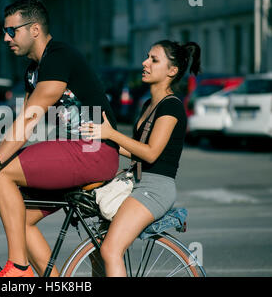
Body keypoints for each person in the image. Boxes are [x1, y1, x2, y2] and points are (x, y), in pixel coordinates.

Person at [0, 0, 120, 277]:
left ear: (34, 29)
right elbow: (19, 128)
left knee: (2, 173)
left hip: (94, 151)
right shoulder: (32, 71)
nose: (5, 37)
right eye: (5, 31)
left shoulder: (59, 56)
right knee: (19, 219)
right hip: (73, 151)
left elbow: (30, 119)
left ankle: (19, 267)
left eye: (12, 30)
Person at [80, 40, 201, 276]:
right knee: (98, 252)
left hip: (155, 189)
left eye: (154, 60)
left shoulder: (171, 107)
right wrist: (103, 142)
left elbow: (151, 152)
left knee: (111, 251)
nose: (145, 63)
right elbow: (137, 150)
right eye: (147, 57)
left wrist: (112, 134)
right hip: (136, 182)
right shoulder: (149, 104)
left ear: (172, 71)